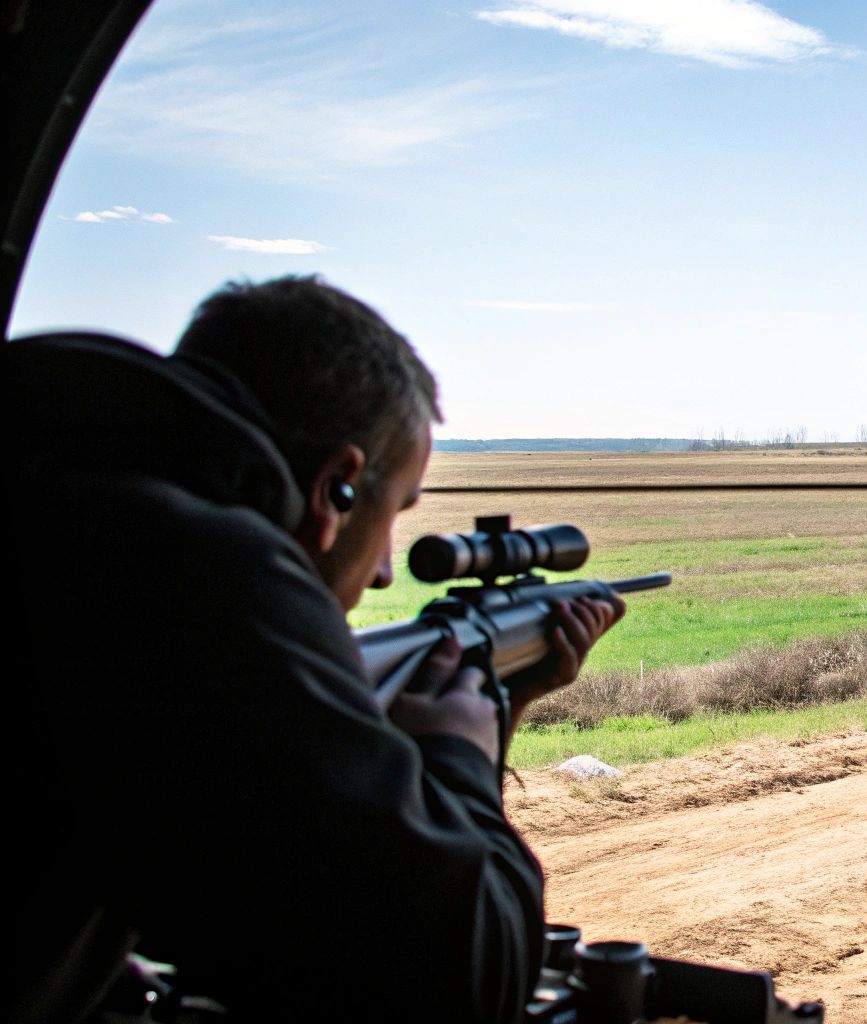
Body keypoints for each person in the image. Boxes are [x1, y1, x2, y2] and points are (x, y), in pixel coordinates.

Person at [5, 276, 620, 1022]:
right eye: (396, 513)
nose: (388, 567)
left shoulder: (62, 490)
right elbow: (461, 978)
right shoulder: (204, 575)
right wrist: (458, 751)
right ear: (338, 488)